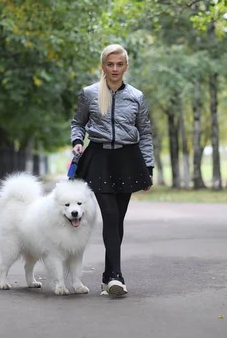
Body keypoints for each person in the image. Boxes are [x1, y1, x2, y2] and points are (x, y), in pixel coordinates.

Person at [70, 43, 154, 296]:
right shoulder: (89, 94)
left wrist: (148, 167)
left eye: (119, 64)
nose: (115, 69)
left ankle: (108, 277)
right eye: (110, 64)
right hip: (99, 158)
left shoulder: (137, 97)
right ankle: (117, 276)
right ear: (103, 66)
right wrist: (76, 142)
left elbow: (145, 134)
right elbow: (78, 123)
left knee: (118, 221)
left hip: (128, 158)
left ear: (126, 66)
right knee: (111, 216)